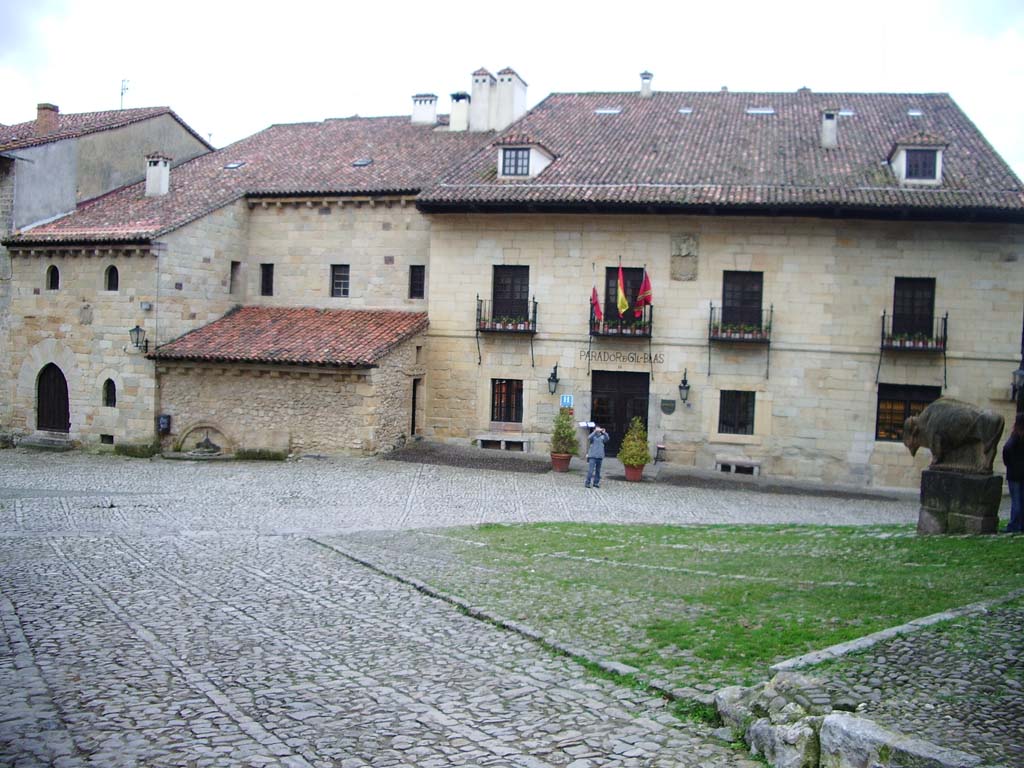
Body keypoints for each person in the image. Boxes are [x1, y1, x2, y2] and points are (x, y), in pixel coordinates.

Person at [1002, 413, 1024, 533]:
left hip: (1015, 473)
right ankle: (1021, 524)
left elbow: (1006, 449)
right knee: (1021, 500)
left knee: (1016, 501)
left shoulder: (1015, 436)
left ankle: (1015, 525)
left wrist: (1009, 464)